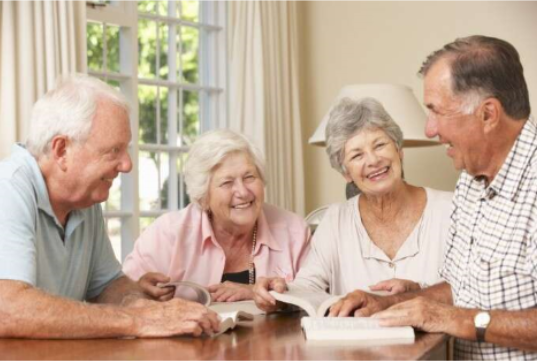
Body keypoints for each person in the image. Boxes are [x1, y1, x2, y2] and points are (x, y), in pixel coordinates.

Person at [324, 36, 537, 359]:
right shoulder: (469, 181)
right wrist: (390, 303)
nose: (429, 129)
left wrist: (455, 319)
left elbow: (455, 314)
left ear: (488, 114)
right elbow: (459, 288)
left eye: (437, 111)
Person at [0, 74, 219, 338]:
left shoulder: (84, 199)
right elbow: (7, 308)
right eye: (113, 151)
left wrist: (142, 304)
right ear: (61, 150)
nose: (127, 165)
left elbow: (107, 285)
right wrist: (135, 319)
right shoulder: (8, 189)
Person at [253, 97, 453, 311]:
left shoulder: (450, 209)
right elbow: (308, 287)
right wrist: (278, 293)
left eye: (380, 145)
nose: (373, 160)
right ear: (346, 173)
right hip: (356, 345)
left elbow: (472, 288)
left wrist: (417, 291)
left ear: (399, 150)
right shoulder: (335, 219)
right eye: (357, 155)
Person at [122, 129, 311, 302]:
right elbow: (122, 296)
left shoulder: (293, 231)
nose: (243, 192)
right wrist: (140, 292)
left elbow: (315, 297)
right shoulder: (167, 234)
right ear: (203, 197)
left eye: (249, 177)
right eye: (227, 182)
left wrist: (253, 292)